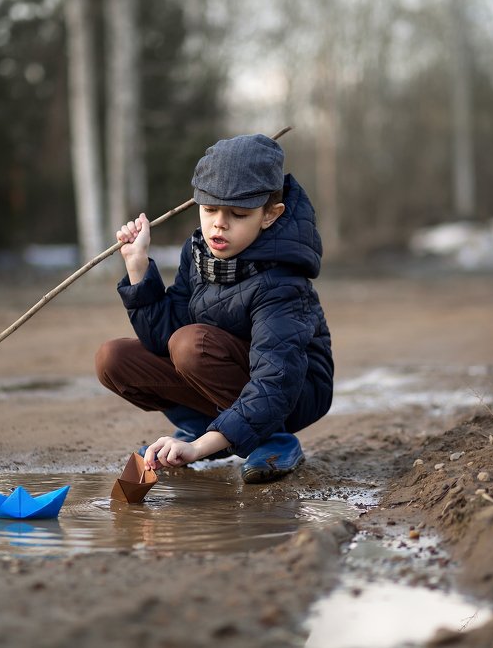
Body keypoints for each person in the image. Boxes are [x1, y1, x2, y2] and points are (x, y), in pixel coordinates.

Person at [94, 133, 334, 483]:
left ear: (270, 215)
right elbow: (163, 336)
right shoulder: (198, 253)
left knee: (191, 345)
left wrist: (199, 449)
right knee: (113, 359)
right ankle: (211, 430)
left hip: (292, 391)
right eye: (209, 209)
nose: (219, 224)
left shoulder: (282, 281)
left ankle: (273, 440)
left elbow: (276, 380)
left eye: (238, 214)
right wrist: (137, 266)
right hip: (223, 372)